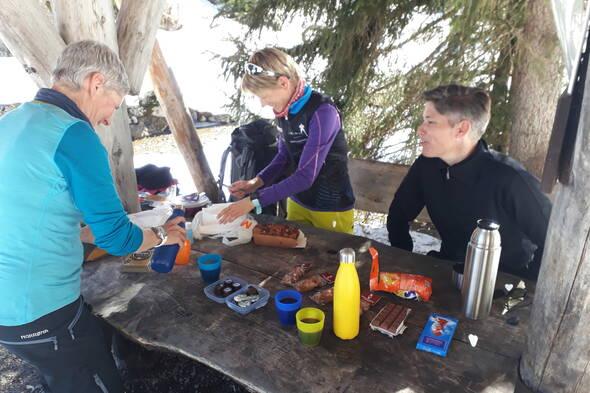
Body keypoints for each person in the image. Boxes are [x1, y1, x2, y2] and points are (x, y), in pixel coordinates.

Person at [0, 40, 186, 393]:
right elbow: (116, 238)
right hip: (40, 310)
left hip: (9, 308)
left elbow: (31, 217)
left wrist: (86, 234)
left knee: (64, 376)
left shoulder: (11, 121)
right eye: (114, 104)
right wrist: (162, 236)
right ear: (96, 83)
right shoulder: (73, 134)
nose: (109, 118)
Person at [387, 84, 552, 280]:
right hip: (448, 269)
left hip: (503, 282)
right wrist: (404, 260)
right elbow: (399, 214)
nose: (420, 130)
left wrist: (525, 285)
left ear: (461, 129)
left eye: (430, 122)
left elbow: (554, 242)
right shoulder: (427, 165)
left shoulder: (511, 179)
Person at [217, 48, 355, 233]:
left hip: (330, 207)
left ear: (283, 82)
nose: (263, 103)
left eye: (264, 96)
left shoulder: (323, 112)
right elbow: (284, 156)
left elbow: (305, 176)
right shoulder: (285, 110)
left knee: (332, 261)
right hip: (298, 201)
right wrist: (255, 183)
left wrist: (253, 201)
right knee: (296, 258)